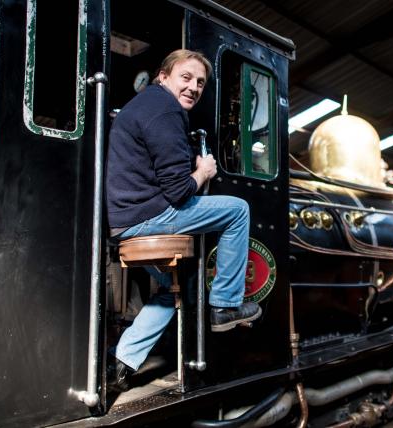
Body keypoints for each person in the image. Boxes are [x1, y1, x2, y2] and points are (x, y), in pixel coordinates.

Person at [106, 49, 261, 390]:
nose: (193, 87)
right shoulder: (164, 110)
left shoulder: (148, 106)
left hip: (125, 220)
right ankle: (225, 305)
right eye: (186, 78)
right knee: (238, 210)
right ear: (164, 77)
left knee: (176, 288)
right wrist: (203, 171)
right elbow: (178, 192)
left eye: (200, 83)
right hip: (146, 216)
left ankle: (119, 363)